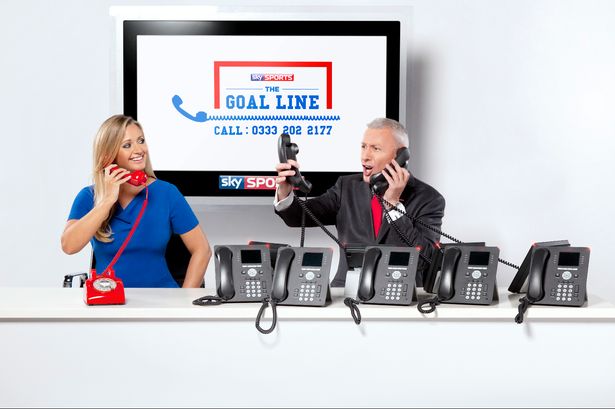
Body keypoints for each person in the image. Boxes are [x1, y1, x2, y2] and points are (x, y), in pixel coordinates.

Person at [274, 118, 445, 287]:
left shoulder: (429, 198)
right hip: (347, 294)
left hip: (399, 294)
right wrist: (285, 191)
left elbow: (425, 260)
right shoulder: (346, 187)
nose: (365, 156)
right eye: (363, 147)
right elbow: (298, 217)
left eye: (376, 149)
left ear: (400, 157)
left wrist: (393, 205)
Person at [61, 115, 211, 288]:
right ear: (108, 156)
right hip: (109, 298)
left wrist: (184, 299)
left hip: (162, 299)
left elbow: (202, 250)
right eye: (127, 145)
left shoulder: (167, 193)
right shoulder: (89, 196)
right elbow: (69, 246)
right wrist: (106, 201)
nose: (139, 150)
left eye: (141, 141)